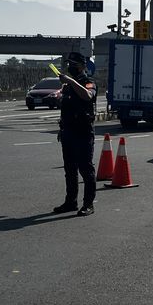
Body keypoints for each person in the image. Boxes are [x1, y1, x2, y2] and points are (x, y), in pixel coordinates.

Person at [53, 52, 97, 216]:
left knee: (86, 169)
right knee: (70, 170)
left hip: (83, 132)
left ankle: (88, 204)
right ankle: (70, 202)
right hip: (68, 132)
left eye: (73, 64)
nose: (70, 67)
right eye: (68, 63)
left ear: (81, 65)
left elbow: (87, 96)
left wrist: (70, 80)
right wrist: (61, 128)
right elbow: (66, 109)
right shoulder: (68, 87)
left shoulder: (88, 82)